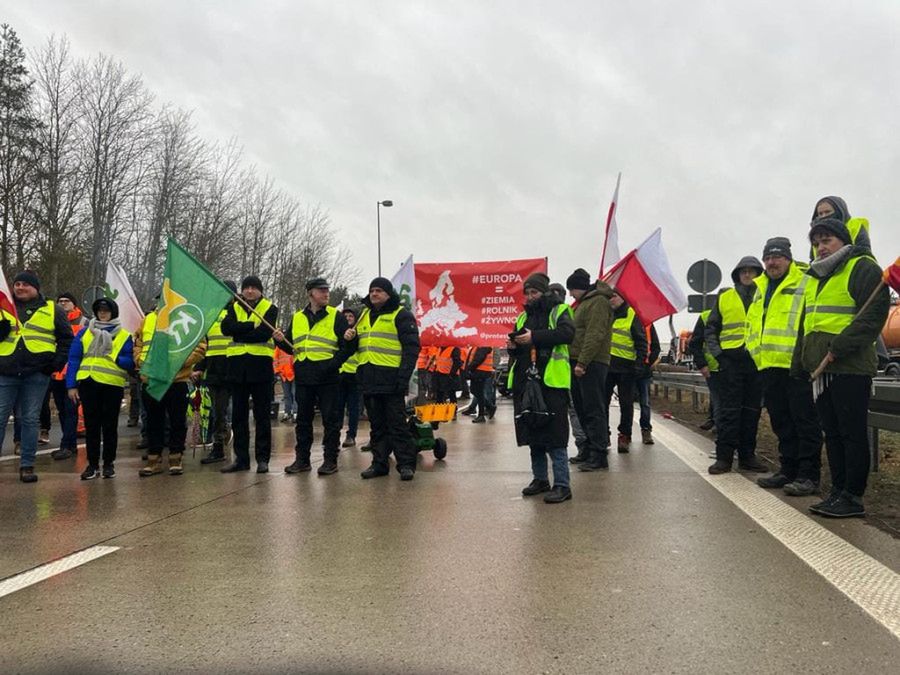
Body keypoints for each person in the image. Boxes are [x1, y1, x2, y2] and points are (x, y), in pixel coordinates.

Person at [794, 218, 889, 517]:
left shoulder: (861, 267)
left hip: (849, 368)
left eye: (827, 240)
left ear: (843, 240)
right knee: (832, 433)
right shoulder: (815, 277)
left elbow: (872, 317)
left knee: (851, 433)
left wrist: (839, 347)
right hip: (820, 370)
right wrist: (801, 362)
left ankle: (853, 496)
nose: (821, 247)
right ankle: (837, 490)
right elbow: (807, 325)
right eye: (817, 242)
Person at [747, 238, 823, 496]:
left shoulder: (804, 280)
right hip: (768, 366)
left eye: (777, 257)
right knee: (781, 422)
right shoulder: (761, 286)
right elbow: (753, 324)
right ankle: (787, 470)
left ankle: (808, 475)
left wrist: (806, 358)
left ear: (788, 258)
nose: (772, 262)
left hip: (796, 366)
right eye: (768, 257)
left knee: (804, 422)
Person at [274, 277, 354, 475]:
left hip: (328, 377)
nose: (326, 293)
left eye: (327, 290)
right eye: (321, 290)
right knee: (303, 421)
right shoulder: (298, 317)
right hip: (304, 376)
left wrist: (333, 364)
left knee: (331, 420)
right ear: (310, 293)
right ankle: (302, 460)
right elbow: (292, 345)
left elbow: (349, 346)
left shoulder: (336, 317)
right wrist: (280, 341)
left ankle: (330, 461)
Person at [0, 270, 74, 482]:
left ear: (36, 288)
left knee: (30, 419)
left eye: (25, 284)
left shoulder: (53, 309)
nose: (20, 287)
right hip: (6, 371)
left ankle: (27, 466)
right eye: (17, 284)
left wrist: (54, 365)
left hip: (37, 373)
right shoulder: (3, 305)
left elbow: (67, 339)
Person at [508, 273, 575, 503]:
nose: (529, 297)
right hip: (527, 382)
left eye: (533, 292)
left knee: (555, 436)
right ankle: (540, 479)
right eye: (526, 293)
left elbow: (567, 334)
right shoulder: (522, 317)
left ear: (544, 292)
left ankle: (562, 485)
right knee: (533, 433)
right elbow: (518, 350)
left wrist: (534, 337)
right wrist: (513, 345)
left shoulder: (560, 311)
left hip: (552, 382)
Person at [348, 277, 420, 481]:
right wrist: (350, 338)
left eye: (379, 290)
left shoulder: (401, 315)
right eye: (372, 290)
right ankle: (379, 463)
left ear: (388, 294)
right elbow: (359, 347)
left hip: (391, 380)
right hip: (369, 380)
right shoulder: (363, 316)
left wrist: (403, 377)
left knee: (397, 425)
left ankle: (406, 464)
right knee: (377, 427)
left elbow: (411, 348)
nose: (374, 294)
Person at [704, 256, 768, 474]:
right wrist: (719, 355)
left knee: (751, 412)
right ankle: (724, 458)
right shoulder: (725, 298)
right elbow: (711, 329)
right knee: (729, 413)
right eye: (743, 271)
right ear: (737, 275)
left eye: (752, 271)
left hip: (756, 363)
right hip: (730, 362)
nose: (747, 275)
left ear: (759, 274)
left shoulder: (766, 297)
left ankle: (747, 457)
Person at [135, 303, 206, 477]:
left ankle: (176, 457)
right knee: (153, 421)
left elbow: (199, 347)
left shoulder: (185, 318)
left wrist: (179, 363)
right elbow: (138, 344)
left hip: (177, 378)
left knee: (177, 420)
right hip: (152, 379)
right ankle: (154, 459)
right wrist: (140, 362)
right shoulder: (148, 319)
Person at [66, 298, 134, 479]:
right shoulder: (84, 333)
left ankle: (109, 464)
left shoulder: (124, 335)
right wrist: (71, 385)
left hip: (112, 384)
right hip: (88, 383)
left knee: (110, 426)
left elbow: (130, 361)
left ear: (113, 312)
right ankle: (93, 464)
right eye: (99, 310)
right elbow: (73, 359)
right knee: (92, 426)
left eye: (106, 310)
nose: (102, 313)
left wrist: (116, 357)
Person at [221, 275, 278, 474]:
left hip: (260, 369)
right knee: (238, 417)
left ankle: (262, 459)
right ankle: (241, 459)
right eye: (247, 288)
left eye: (254, 288)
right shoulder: (233, 307)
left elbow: (264, 333)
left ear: (260, 290)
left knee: (262, 416)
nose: (250, 291)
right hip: (237, 370)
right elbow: (226, 328)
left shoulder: (270, 308)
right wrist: (250, 326)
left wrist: (242, 331)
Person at [565, 268, 614, 471]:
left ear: (580, 288)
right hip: (579, 362)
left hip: (591, 364)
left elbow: (595, 335)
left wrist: (582, 363)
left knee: (594, 410)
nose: (570, 294)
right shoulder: (584, 303)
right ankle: (588, 449)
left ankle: (599, 454)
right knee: (582, 408)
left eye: (571, 290)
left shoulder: (599, 302)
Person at [195, 283, 235, 464]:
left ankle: (221, 444)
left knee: (222, 411)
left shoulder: (238, 313)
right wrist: (199, 368)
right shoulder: (210, 315)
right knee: (216, 411)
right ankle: (219, 445)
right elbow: (205, 345)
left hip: (231, 368)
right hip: (213, 370)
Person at [605, 290, 648, 453]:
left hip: (626, 368)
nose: (611, 300)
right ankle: (605, 434)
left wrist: (639, 365)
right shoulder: (605, 314)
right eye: (609, 297)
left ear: (623, 297)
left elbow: (641, 343)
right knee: (602, 403)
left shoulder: (632, 315)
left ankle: (624, 435)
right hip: (606, 366)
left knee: (626, 405)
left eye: (614, 296)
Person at [48, 291, 87, 460]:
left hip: (73, 374)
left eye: (66, 301)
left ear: (74, 304)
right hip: (56, 373)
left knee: (70, 410)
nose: (63, 303)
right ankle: (69, 445)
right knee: (62, 411)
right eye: (60, 301)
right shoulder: (52, 320)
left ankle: (67, 445)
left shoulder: (84, 322)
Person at [688, 310, 720, 432]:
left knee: (721, 400)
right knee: (719, 400)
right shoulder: (706, 316)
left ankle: (719, 424)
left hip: (730, 366)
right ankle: (720, 427)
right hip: (713, 368)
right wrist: (702, 365)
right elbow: (695, 344)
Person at [337, 307, 361, 447]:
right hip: (340, 374)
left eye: (350, 316)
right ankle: (336, 433)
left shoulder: (358, 333)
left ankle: (351, 435)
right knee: (337, 407)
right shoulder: (338, 332)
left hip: (354, 375)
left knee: (353, 408)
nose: (347, 318)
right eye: (345, 316)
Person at [636, 322, 661, 445]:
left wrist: (648, 363)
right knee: (626, 404)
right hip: (627, 368)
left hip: (643, 370)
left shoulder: (648, 325)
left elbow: (656, 347)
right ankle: (625, 434)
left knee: (645, 403)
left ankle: (646, 430)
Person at [465, 345, 494, 423]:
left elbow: (478, 359)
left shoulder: (483, 346)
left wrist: (469, 368)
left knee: (479, 392)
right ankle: (490, 407)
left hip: (481, 372)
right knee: (475, 391)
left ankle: (482, 415)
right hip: (478, 372)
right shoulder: (477, 346)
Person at [274, 345, 295, 422]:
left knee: (293, 394)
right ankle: (288, 412)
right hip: (284, 374)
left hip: (292, 374)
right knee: (287, 395)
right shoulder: (279, 347)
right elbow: (275, 360)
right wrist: (277, 371)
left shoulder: (291, 345)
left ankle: (294, 412)